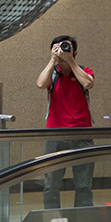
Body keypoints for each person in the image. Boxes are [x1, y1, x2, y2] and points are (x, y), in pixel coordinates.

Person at [36, 35, 96, 209]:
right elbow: (40, 84)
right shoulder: (52, 73)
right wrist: (52, 60)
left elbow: (88, 83)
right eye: (58, 47)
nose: (62, 49)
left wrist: (71, 61)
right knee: (51, 185)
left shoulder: (84, 71)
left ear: (75, 52)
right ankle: (52, 221)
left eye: (66, 47)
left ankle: (82, 221)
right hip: (55, 135)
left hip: (82, 135)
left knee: (84, 185)